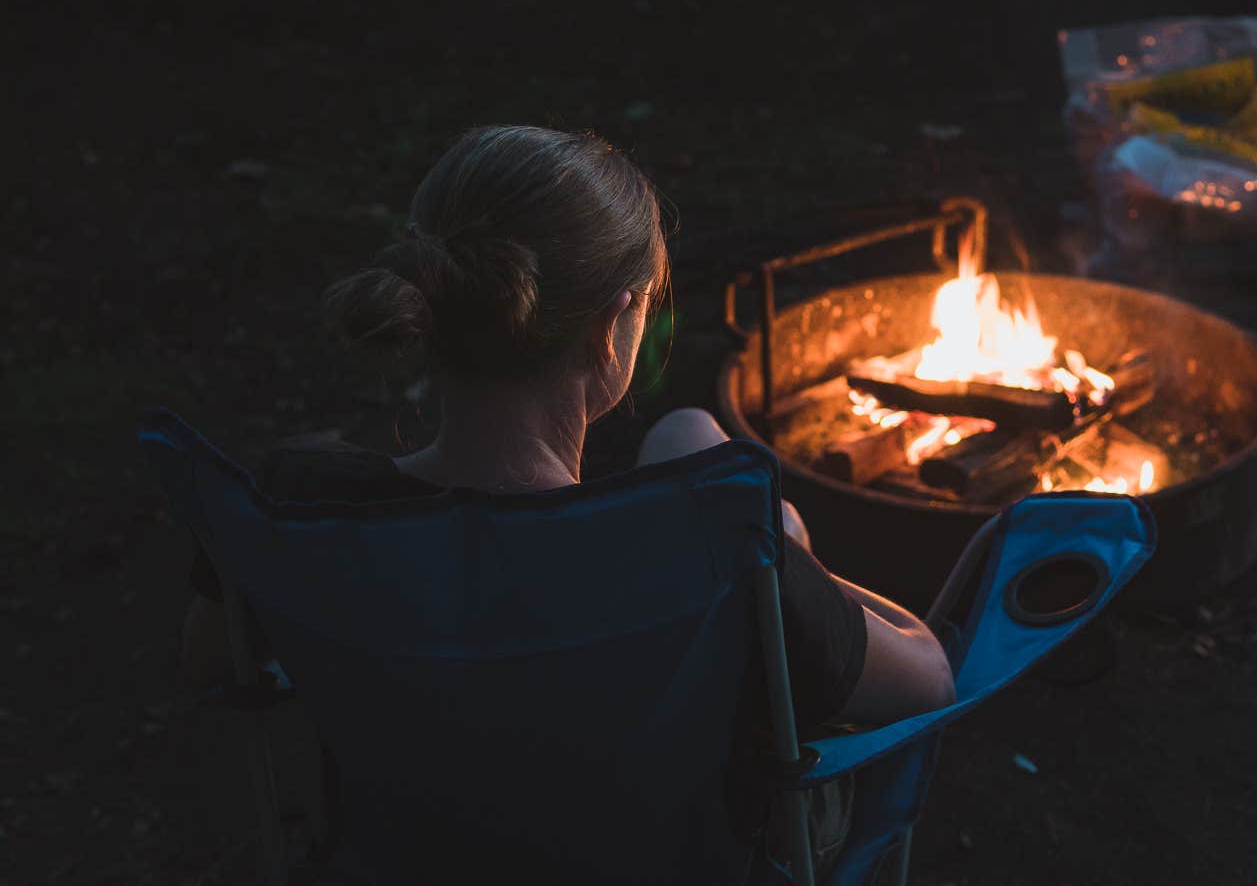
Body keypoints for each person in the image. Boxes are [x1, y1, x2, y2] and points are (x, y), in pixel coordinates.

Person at [178, 125, 954, 865]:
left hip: (406, 859)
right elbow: (929, 676)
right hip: (676, 857)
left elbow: (218, 661)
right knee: (698, 445)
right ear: (611, 327)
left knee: (688, 432)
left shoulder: (301, 504)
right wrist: (780, 547)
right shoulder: (705, 542)